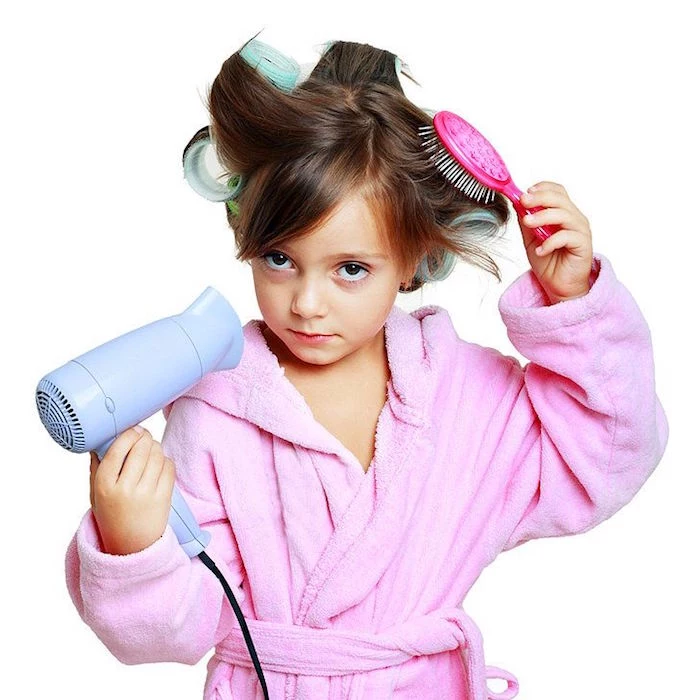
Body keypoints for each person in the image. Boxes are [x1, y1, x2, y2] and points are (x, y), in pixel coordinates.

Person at [65, 37, 669, 699]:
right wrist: (134, 546)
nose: (307, 303)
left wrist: (573, 303)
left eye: (350, 269)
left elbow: (607, 456)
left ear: (411, 259)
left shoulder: (463, 395)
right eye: (278, 259)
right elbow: (174, 631)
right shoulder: (214, 408)